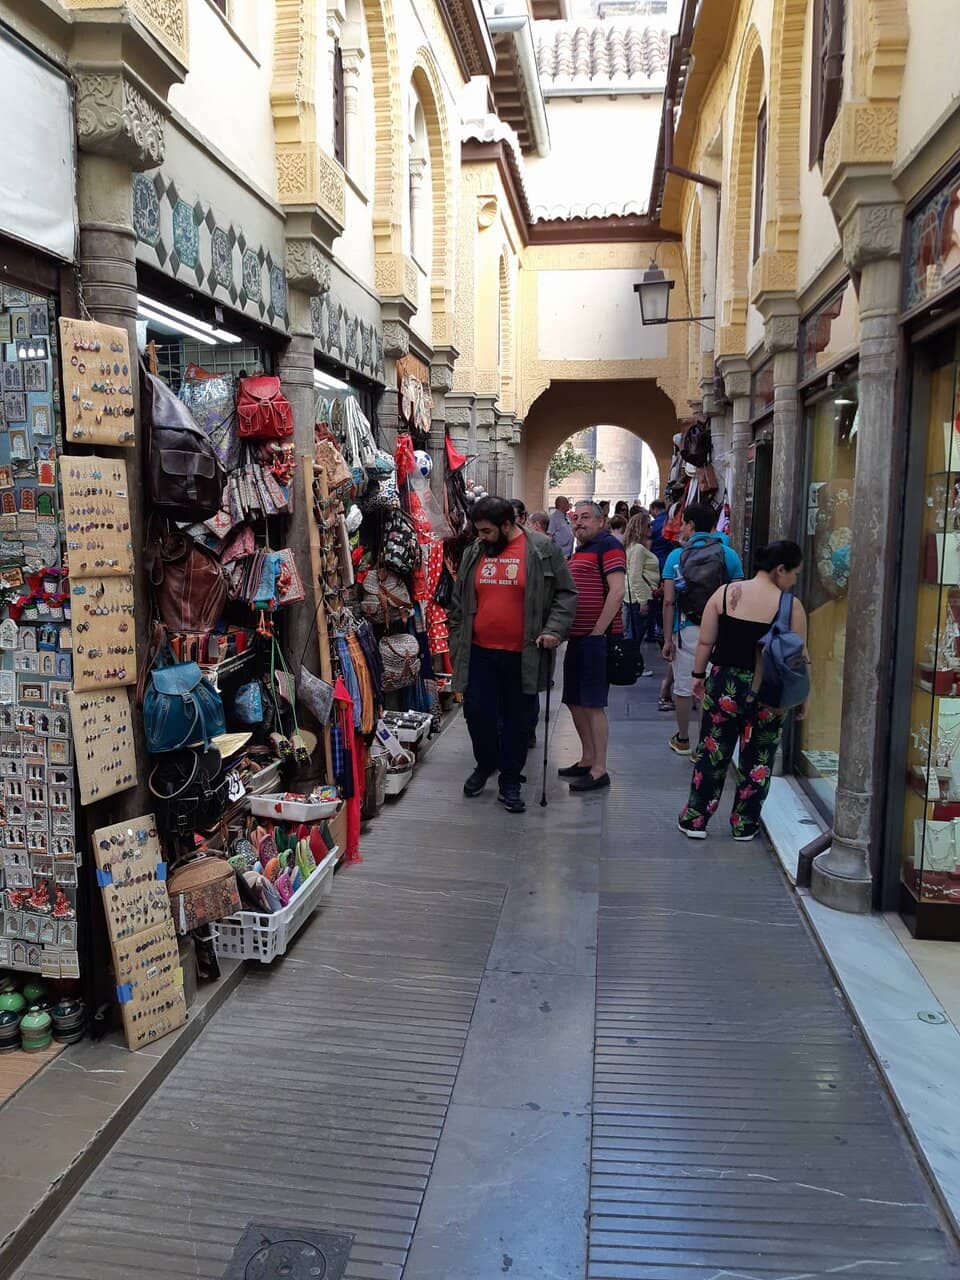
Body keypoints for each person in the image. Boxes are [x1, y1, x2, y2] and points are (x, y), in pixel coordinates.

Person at [449, 496, 577, 813]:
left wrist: (553, 630)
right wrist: (456, 636)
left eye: (488, 531)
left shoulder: (542, 549)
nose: (482, 537)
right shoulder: (474, 552)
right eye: (478, 530)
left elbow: (566, 593)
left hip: (524, 654)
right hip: (478, 651)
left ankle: (509, 778)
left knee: (518, 720)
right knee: (477, 714)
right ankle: (486, 763)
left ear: (508, 524)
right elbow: (458, 600)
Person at [678, 540, 807, 840]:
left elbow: (705, 642)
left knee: (712, 752)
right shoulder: (791, 607)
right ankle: (744, 824)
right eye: (794, 573)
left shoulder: (724, 594)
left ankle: (696, 820)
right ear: (780, 570)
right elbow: (799, 659)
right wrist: (803, 698)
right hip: (770, 690)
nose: (795, 580)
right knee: (759, 757)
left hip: (725, 683)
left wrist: (698, 675)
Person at [661, 503, 744, 756]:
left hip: (686, 629)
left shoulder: (676, 557)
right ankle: (704, 744)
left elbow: (668, 601)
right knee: (710, 687)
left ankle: (683, 739)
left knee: (685, 688)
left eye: (684, 523)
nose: (682, 528)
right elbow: (736, 598)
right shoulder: (729, 555)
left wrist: (667, 639)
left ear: (691, 525)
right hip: (720, 631)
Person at [559, 500, 626, 792]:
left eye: (586, 517)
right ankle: (587, 759)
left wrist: (598, 631)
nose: (579, 523)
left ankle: (600, 769)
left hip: (595, 639)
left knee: (593, 704)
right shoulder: (581, 550)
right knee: (575, 701)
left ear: (601, 521)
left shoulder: (608, 545)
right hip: (577, 638)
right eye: (575, 518)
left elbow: (617, 591)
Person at [623, 512, 660, 665]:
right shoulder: (638, 549)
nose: (651, 528)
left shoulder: (633, 547)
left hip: (635, 596)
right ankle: (631, 665)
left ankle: (630, 663)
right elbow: (635, 576)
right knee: (635, 634)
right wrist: (643, 601)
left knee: (633, 633)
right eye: (648, 525)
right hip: (640, 597)